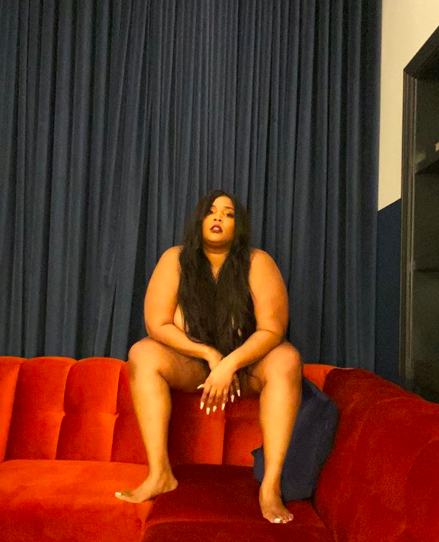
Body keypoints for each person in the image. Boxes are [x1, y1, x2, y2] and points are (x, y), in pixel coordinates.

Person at [115, 189, 302, 524]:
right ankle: (160, 473)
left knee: (287, 358)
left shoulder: (257, 262)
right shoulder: (175, 259)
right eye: (212, 211)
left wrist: (230, 363)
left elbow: (272, 329)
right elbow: (157, 323)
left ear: (238, 226)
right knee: (142, 352)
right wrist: (209, 354)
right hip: (195, 365)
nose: (219, 217)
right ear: (199, 220)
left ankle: (271, 487)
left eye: (229, 214)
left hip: (246, 365)